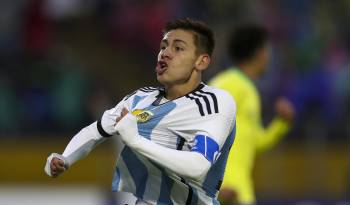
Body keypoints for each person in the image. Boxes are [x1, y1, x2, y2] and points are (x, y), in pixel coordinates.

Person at [44, 18, 237, 205]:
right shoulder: (139, 98)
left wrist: (136, 140)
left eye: (178, 48)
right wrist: (65, 157)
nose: (165, 53)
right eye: (163, 47)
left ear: (201, 62)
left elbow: (198, 166)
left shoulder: (214, 102)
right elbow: (95, 131)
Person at [209, 24, 295, 205]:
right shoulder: (227, 83)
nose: (269, 56)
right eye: (267, 49)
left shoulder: (249, 89)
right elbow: (204, 130)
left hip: (240, 189)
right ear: (259, 53)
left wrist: (282, 123)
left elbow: (257, 142)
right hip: (224, 188)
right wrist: (217, 184)